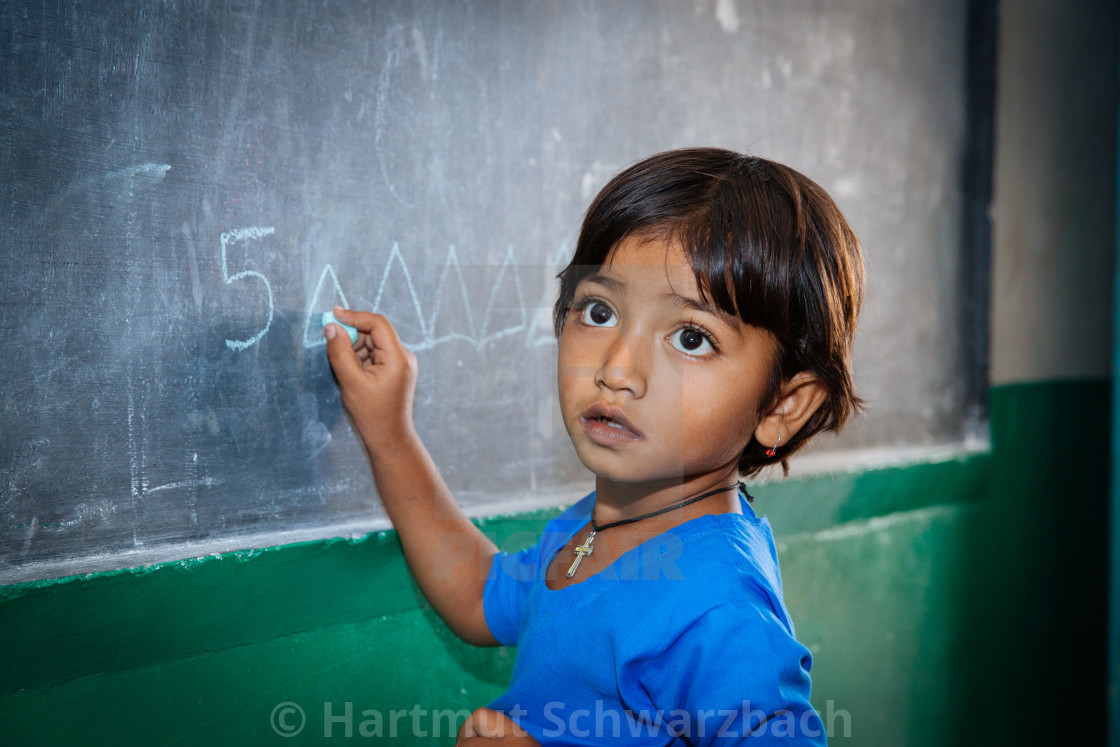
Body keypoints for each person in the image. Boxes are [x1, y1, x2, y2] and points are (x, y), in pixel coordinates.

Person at [324, 148, 864, 745]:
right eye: (600, 311)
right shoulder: (597, 526)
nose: (617, 368)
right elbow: (480, 595)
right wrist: (389, 432)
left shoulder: (717, 608)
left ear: (781, 406)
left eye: (690, 337)